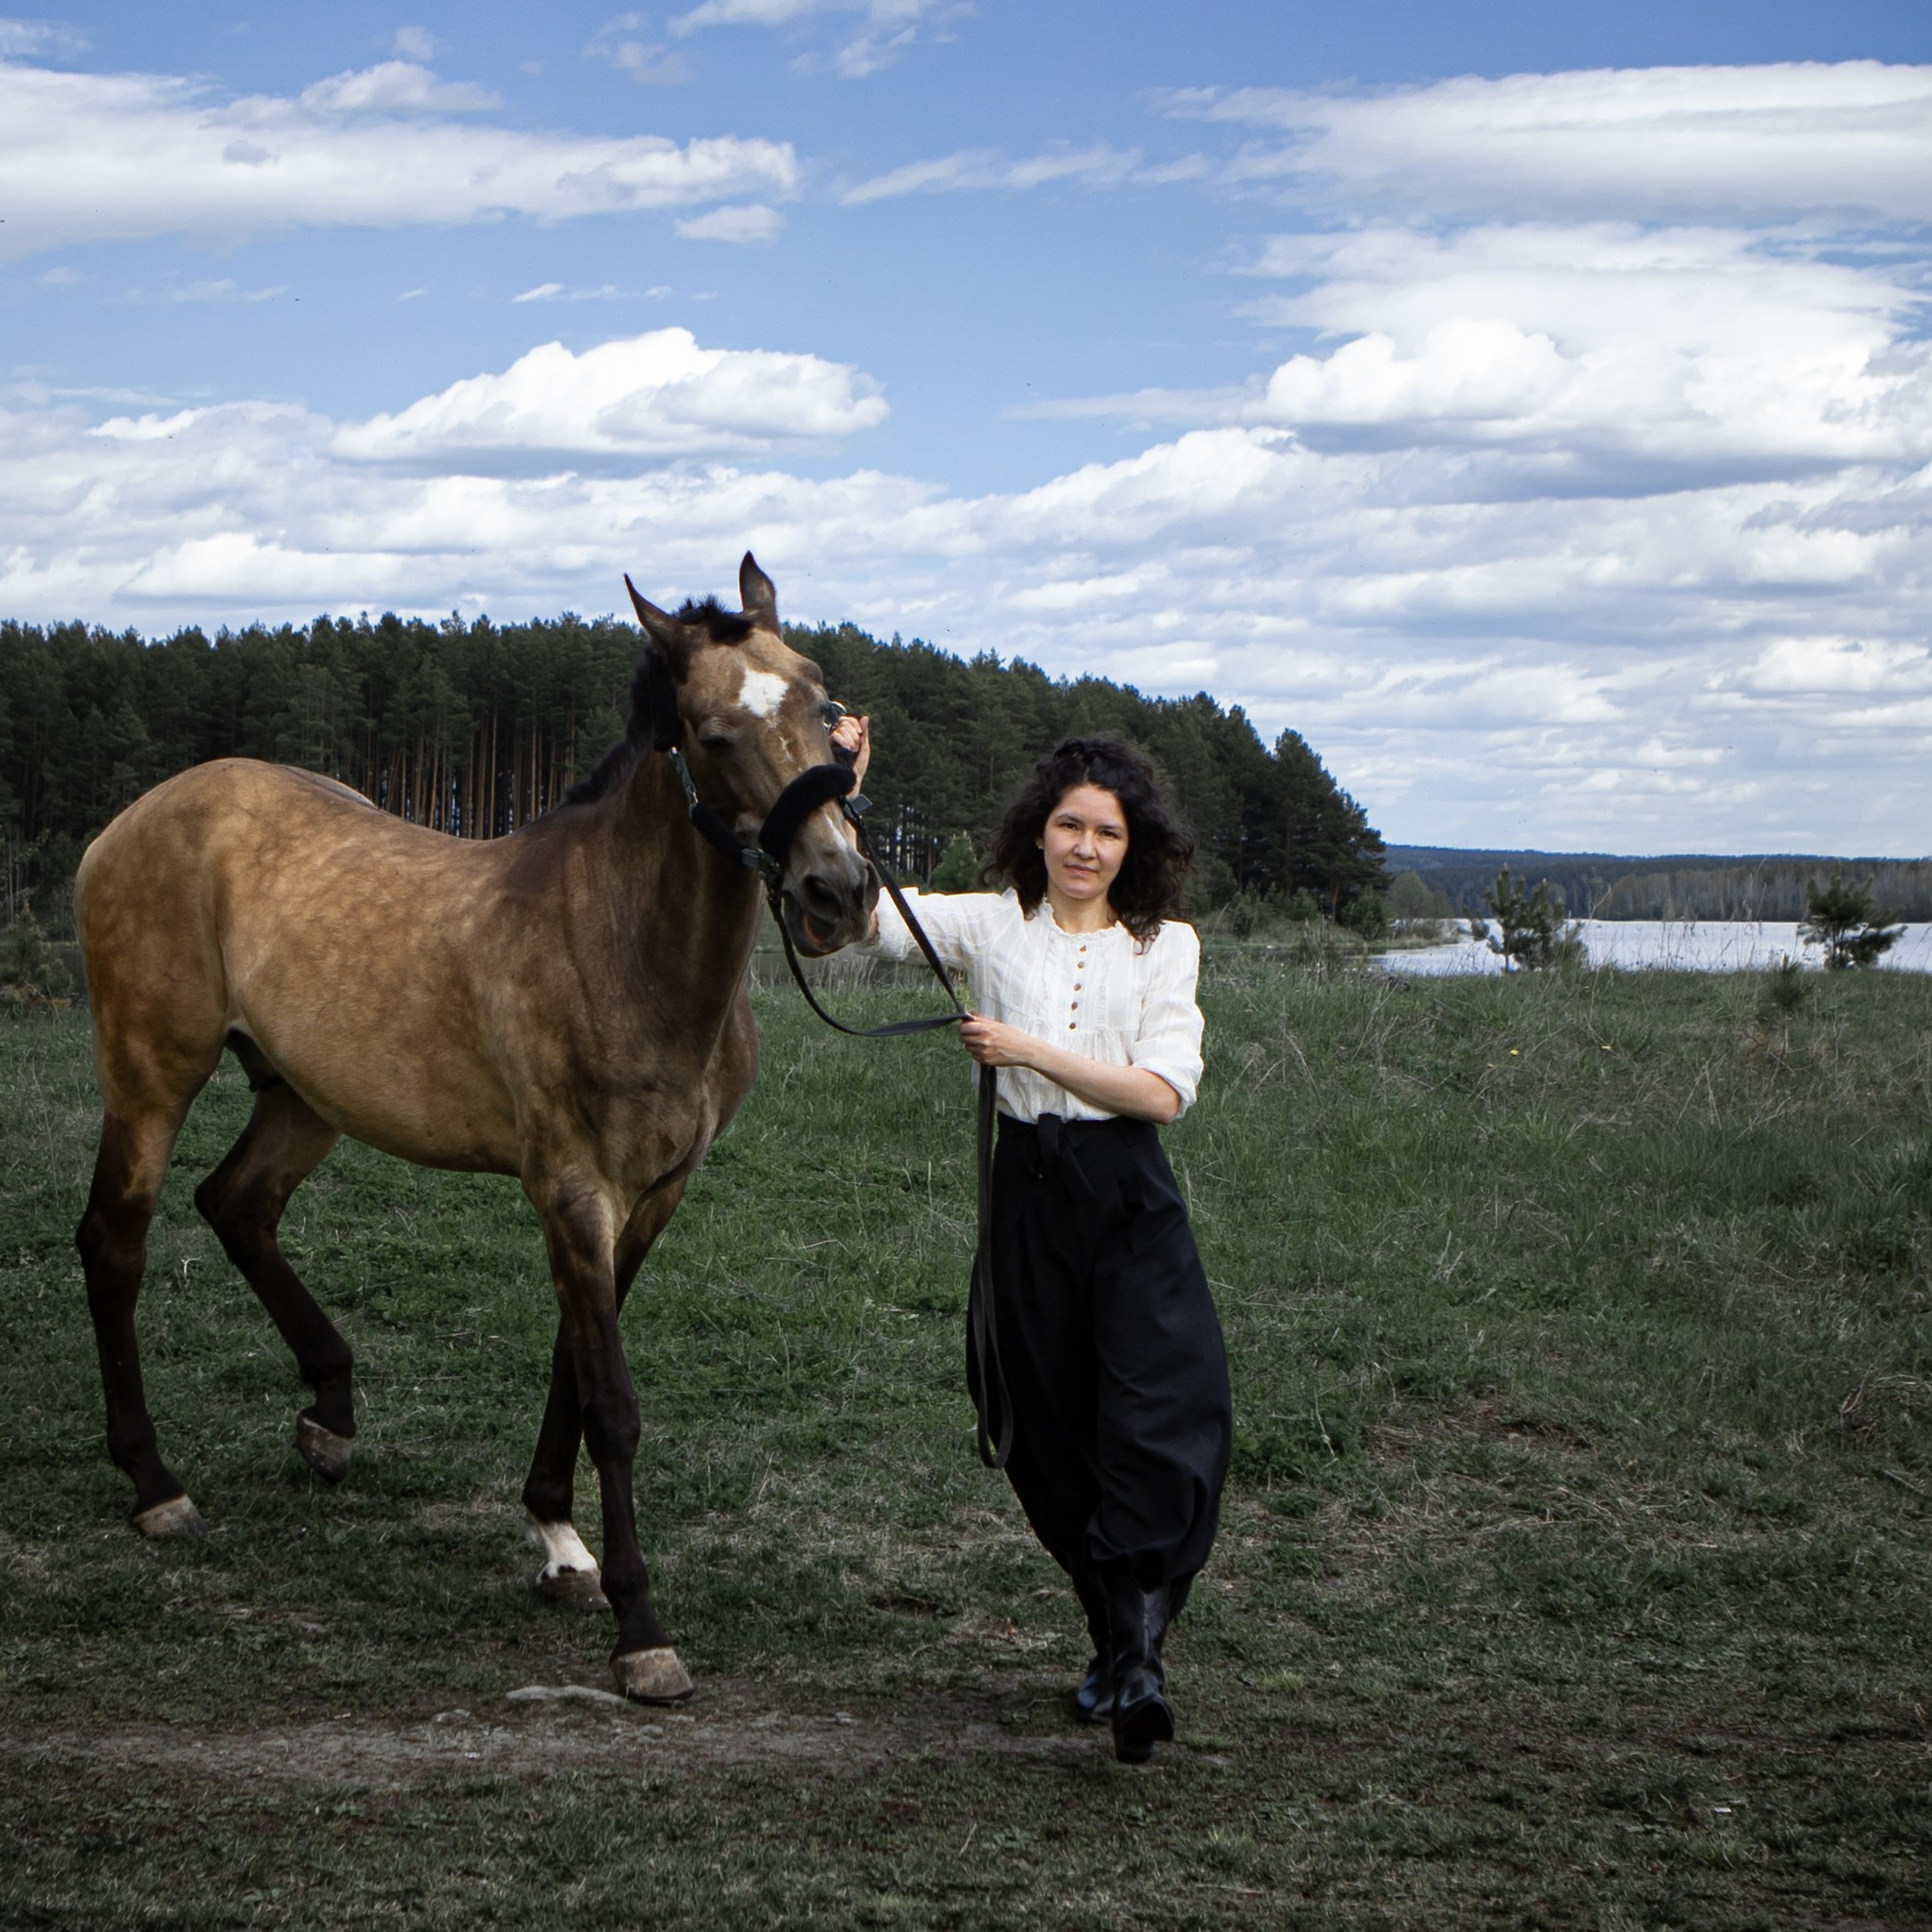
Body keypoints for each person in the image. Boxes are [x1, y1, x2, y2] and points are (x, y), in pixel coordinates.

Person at [831, 718, 1232, 1764]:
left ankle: (1139, 1670)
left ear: (1131, 844)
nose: (1086, 847)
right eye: (1069, 824)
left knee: (1155, 1416)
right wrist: (848, 785)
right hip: (1026, 1196)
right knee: (1042, 1427)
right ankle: (1118, 1647)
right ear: (1039, 831)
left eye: (1106, 830)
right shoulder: (994, 923)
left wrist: (1024, 1051)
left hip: (1127, 1198)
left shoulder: (1163, 945)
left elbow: (1161, 1092)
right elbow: (861, 915)